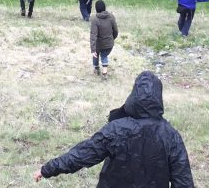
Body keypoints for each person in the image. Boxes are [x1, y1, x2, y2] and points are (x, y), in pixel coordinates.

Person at [34, 71, 193, 185]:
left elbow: (82, 154)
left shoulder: (117, 129)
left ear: (134, 96)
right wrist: (48, 169)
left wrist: (47, 169)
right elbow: (183, 179)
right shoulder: (171, 135)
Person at [90, 0, 119, 77]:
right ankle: (104, 73)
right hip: (109, 43)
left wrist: (93, 49)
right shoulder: (111, 17)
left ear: (96, 9)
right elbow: (115, 30)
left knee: (96, 54)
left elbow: (93, 35)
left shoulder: (95, 20)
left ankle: (96, 69)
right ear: (105, 7)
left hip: (99, 44)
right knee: (104, 55)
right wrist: (112, 38)